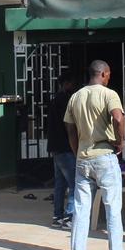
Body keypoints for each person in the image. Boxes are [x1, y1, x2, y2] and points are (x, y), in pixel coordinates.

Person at [64, 60, 125, 250]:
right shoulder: (109, 94)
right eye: (109, 74)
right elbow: (118, 119)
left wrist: (77, 152)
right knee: (112, 206)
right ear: (103, 74)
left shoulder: (75, 97)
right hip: (104, 156)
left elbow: (69, 128)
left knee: (81, 206)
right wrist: (121, 143)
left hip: (83, 159)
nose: (109, 78)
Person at [46, 73, 77, 230]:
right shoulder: (66, 101)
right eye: (71, 83)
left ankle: (57, 216)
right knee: (74, 183)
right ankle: (69, 217)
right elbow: (69, 126)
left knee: (60, 184)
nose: (73, 87)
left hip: (55, 148)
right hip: (65, 148)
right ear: (66, 84)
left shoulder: (53, 101)